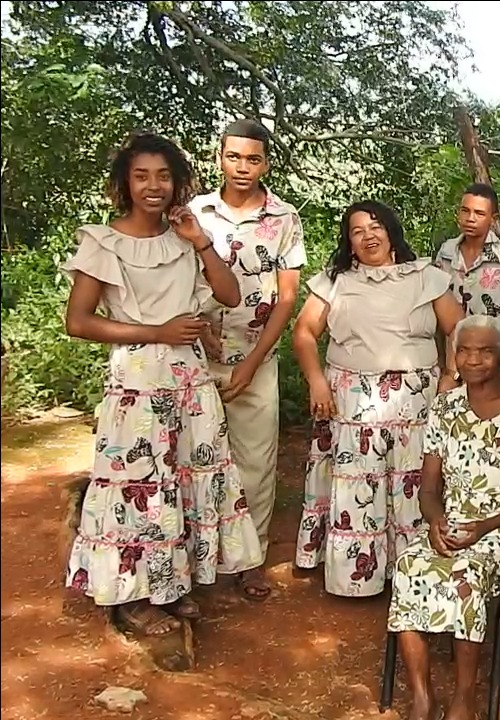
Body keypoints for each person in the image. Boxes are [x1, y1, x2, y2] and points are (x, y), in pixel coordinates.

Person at [64, 130, 263, 635]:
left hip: (190, 381)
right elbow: (79, 321)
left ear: (177, 183)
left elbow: (229, 293)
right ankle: (132, 598)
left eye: (163, 176)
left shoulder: (185, 238)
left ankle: (172, 586)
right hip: (137, 382)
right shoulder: (103, 241)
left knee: (185, 480)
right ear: (124, 184)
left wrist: (200, 241)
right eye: (141, 176)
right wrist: (156, 331)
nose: (153, 186)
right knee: (139, 486)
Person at [292, 201, 466, 598]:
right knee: (360, 483)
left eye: (376, 227)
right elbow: (303, 333)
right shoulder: (335, 281)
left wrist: (450, 375)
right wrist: (316, 381)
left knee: (413, 482)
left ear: (391, 232)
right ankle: (357, 577)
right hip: (351, 401)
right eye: (357, 230)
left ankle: (412, 572)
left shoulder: (426, 276)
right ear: (349, 243)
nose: (369, 235)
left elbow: (457, 326)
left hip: (415, 400)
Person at [386, 315, 500, 720]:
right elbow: (429, 488)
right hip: (452, 520)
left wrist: (484, 528)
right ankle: (422, 696)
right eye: (464, 350)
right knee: (408, 564)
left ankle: (464, 698)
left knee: (466, 572)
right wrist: (435, 522)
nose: (473, 360)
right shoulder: (445, 406)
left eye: (485, 351)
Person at [191, 118, 306, 601]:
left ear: (265, 163)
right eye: (233, 156)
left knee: (255, 462)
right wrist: (200, 332)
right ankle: (192, 559)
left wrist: (253, 361)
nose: (242, 167)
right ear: (219, 157)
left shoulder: (284, 218)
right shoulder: (193, 213)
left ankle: (250, 561)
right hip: (194, 354)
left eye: (253, 158)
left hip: (257, 356)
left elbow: (286, 298)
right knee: (193, 459)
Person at [433, 183, 500, 324]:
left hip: (494, 342)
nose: (470, 218)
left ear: (493, 220)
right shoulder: (446, 252)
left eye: (479, 213)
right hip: (454, 343)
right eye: (465, 211)